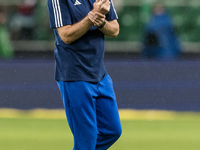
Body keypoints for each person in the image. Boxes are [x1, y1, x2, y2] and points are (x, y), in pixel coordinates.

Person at [47, 0, 122, 149]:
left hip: (100, 74)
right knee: (86, 140)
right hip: (74, 75)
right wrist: (92, 16)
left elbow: (115, 30)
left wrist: (101, 23)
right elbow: (66, 36)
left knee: (112, 131)